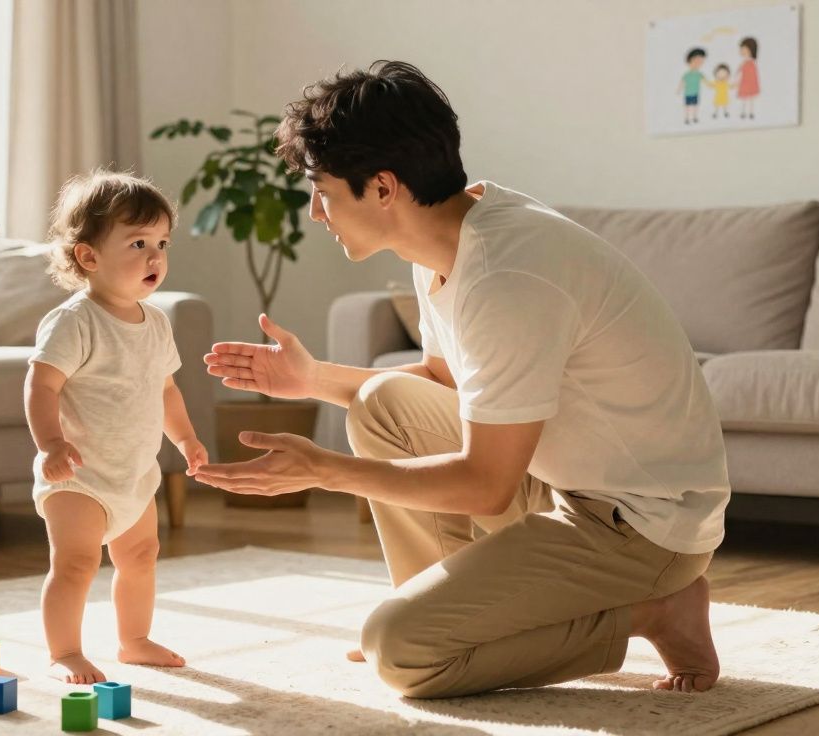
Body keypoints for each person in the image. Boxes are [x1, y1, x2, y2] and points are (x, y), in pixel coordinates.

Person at [195, 61, 730, 697]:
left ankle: (655, 611)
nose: (316, 212)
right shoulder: (448, 242)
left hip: (642, 528)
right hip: (568, 489)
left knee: (401, 655)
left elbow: (484, 484)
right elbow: (445, 388)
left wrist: (325, 470)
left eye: (325, 192)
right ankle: (443, 612)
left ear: (384, 188)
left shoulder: (506, 276)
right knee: (383, 399)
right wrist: (312, 379)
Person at [25, 170, 208, 684]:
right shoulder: (74, 321)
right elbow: (41, 387)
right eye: (137, 243)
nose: (155, 257)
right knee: (77, 565)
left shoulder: (157, 323)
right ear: (88, 257)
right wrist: (51, 445)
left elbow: (166, 390)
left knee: (141, 556)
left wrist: (188, 439)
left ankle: (134, 640)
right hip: (78, 475)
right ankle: (64, 651)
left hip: (134, 475)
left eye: (161, 243)